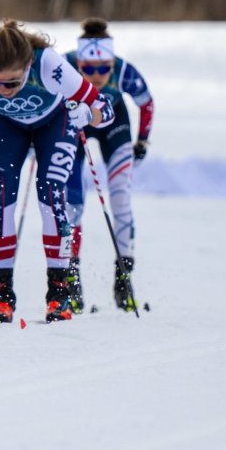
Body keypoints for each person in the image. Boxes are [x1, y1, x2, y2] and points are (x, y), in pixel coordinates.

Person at [0, 19, 113, 324]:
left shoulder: (50, 66)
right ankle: (1, 293)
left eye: (11, 83)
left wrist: (87, 114)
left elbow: (104, 108)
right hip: (5, 124)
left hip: (54, 123)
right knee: (1, 199)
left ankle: (59, 292)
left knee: (51, 194)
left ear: (27, 65)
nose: (2, 89)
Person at [64, 18, 153, 312]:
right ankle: (70, 278)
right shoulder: (64, 63)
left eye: (104, 68)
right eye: (88, 69)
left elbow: (146, 102)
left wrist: (142, 141)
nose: (97, 75)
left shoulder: (124, 69)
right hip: (76, 128)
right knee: (72, 204)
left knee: (121, 200)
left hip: (115, 128)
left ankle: (124, 278)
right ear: (79, 63)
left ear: (112, 63)